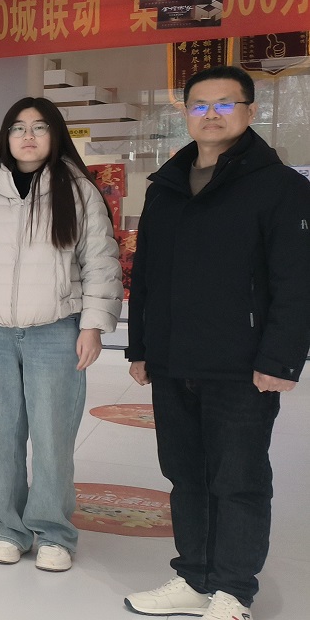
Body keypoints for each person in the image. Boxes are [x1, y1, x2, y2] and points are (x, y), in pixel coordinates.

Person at [124, 66, 310, 620]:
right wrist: (140, 348)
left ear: (250, 112)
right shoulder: (167, 186)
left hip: (242, 365)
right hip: (173, 360)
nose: (211, 114)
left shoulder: (281, 187)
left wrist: (281, 359)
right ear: (185, 113)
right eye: (200, 105)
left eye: (225, 103)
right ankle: (194, 577)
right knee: (185, 474)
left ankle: (233, 589)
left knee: (238, 479)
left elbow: (296, 281)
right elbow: (146, 274)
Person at [0, 96, 122, 573]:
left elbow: (100, 262)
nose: (27, 136)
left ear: (55, 134)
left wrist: (92, 326)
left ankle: (53, 532)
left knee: (51, 437)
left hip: (55, 331)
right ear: (6, 137)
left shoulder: (78, 190)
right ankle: (8, 528)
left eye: (39, 127)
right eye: (18, 128)